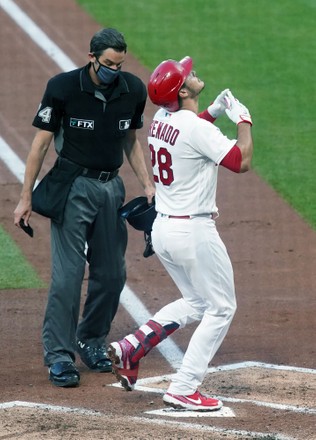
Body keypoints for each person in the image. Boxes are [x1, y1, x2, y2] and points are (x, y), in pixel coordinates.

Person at [107, 56, 253, 411]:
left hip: (165, 230)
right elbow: (241, 161)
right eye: (188, 75)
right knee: (221, 308)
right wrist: (243, 120)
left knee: (197, 301)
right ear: (184, 91)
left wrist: (214, 112)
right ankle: (185, 387)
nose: (193, 73)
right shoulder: (195, 128)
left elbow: (190, 133)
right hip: (193, 233)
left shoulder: (162, 118)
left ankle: (132, 346)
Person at [13, 28, 155, 388]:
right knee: (67, 277)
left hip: (112, 188)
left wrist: (148, 183)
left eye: (119, 64)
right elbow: (40, 144)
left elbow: (130, 140)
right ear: (92, 57)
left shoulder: (133, 90)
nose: (114, 69)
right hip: (73, 187)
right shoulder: (63, 88)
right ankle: (59, 357)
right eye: (108, 63)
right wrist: (26, 196)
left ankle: (89, 340)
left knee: (112, 275)